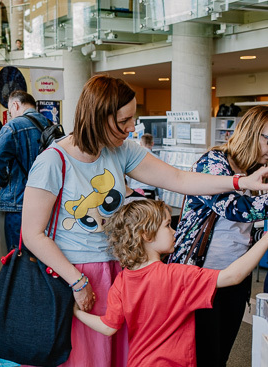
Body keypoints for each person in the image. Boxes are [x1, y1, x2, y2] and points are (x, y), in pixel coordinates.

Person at [20, 74, 268, 367]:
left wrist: (238, 182)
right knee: (85, 356)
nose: (130, 128)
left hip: (119, 269)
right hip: (74, 273)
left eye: (132, 119)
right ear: (99, 116)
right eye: (123, 121)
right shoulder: (52, 161)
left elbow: (179, 179)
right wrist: (76, 281)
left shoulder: (121, 149)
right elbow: (32, 233)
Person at [73, 199, 268, 367]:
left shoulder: (122, 281)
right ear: (147, 235)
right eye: (167, 225)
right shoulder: (178, 276)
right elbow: (233, 276)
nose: (174, 231)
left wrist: (77, 313)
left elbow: (108, 327)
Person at [167, 105, 268, 367]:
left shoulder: (258, 168)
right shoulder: (212, 162)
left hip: (235, 275)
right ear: (251, 133)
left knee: (220, 352)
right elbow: (237, 209)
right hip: (198, 275)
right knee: (199, 354)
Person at [0, 90, 50, 251]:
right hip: (48, 201)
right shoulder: (51, 126)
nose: (11, 115)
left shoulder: (13, 126)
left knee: (18, 257)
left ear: (15, 105)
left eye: (10, 112)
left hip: (19, 202)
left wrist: (1, 181)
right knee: (44, 255)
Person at [127, 133, 157, 199]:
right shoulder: (157, 159)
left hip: (135, 191)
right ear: (152, 143)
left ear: (140, 144)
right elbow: (160, 179)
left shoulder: (133, 158)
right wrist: (160, 195)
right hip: (150, 192)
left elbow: (128, 176)